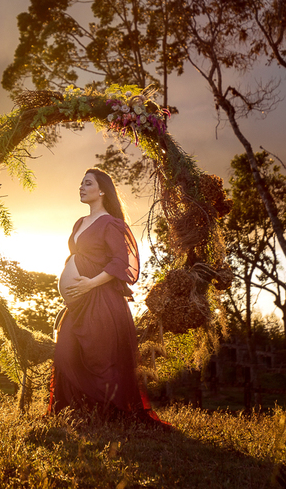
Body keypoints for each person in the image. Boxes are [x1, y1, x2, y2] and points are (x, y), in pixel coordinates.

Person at [48, 167, 168, 427]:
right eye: (81, 183)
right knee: (67, 353)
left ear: (102, 191)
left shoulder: (111, 223)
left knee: (99, 359)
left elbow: (120, 262)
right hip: (78, 303)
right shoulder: (80, 222)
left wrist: (90, 283)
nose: (81, 187)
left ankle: (106, 417)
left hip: (101, 299)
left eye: (87, 183)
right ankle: (75, 413)